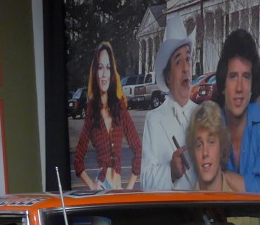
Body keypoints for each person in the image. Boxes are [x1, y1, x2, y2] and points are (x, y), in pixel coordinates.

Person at [214, 28, 260, 194]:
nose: (239, 88)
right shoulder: (210, 124)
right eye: (233, 76)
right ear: (223, 84)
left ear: (252, 85)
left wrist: (224, 177)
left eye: (246, 77)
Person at [73, 40, 141, 191]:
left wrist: (128, 188)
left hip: (118, 189)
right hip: (101, 186)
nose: (104, 74)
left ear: (112, 74)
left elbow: (138, 148)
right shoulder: (92, 113)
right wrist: (92, 186)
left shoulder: (120, 109)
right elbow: (78, 159)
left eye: (108, 68)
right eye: (100, 67)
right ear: (95, 72)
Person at [142, 19, 197, 191]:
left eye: (188, 60)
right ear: (167, 76)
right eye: (178, 61)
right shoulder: (154, 120)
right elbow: (145, 183)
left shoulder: (205, 114)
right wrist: (170, 173)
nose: (185, 68)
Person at [187, 101, 245, 192]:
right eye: (199, 145)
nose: (205, 152)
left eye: (211, 142)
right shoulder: (186, 204)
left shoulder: (242, 199)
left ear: (221, 147)